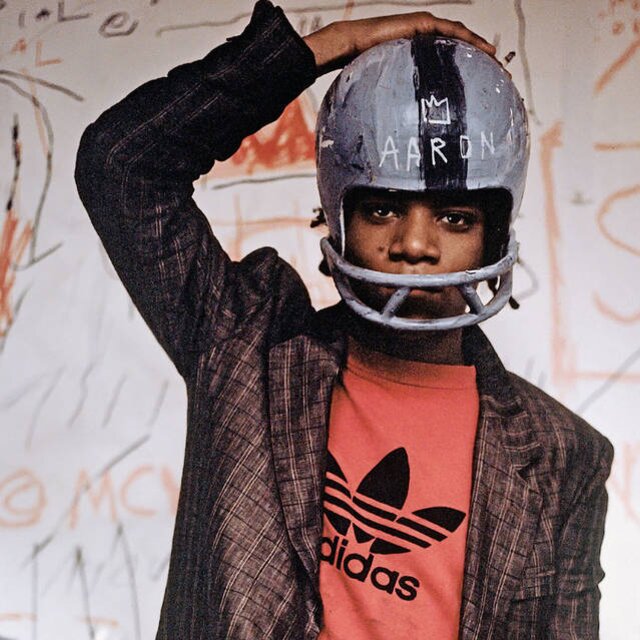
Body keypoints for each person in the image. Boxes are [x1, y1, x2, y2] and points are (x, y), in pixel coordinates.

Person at [74, 1, 613, 638]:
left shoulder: (563, 456)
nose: (415, 245)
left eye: (455, 218)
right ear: (338, 214)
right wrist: (318, 50)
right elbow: (122, 164)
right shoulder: (245, 350)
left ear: (493, 233)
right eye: (383, 209)